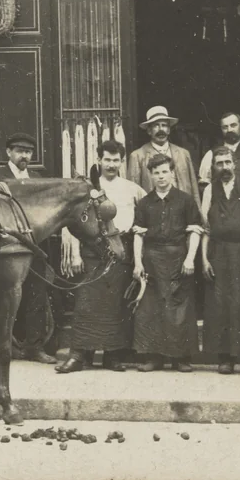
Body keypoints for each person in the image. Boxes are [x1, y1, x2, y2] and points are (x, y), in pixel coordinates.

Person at [56, 140, 147, 374]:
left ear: (122, 162)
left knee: (116, 305)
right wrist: (75, 253)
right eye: (107, 159)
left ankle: (113, 356)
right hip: (93, 250)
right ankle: (79, 356)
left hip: (120, 250)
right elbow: (73, 222)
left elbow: (145, 218)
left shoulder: (132, 189)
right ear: (98, 160)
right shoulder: (86, 189)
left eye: (116, 160)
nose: (111, 164)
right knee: (86, 303)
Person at [0, 132, 57, 365]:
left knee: (36, 295)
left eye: (28, 152)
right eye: (20, 151)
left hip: (34, 247)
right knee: (5, 296)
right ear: (9, 153)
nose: (24, 156)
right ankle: (5, 347)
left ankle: (34, 348)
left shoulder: (37, 179)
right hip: (7, 249)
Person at [131, 154, 205, 372]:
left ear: (172, 172)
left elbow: (195, 231)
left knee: (178, 310)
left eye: (165, 171)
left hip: (178, 261)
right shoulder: (144, 204)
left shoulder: (185, 200)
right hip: (152, 261)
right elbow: (138, 235)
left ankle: (180, 359)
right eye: (156, 172)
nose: (161, 176)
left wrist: (190, 258)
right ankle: (154, 358)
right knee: (151, 309)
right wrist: (138, 263)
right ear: (150, 175)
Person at [199, 147, 240, 376]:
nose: (225, 167)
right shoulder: (209, 190)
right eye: (220, 163)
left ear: (235, 164)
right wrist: (204, 260)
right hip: (219, 254)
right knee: (220, 306)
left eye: (228, 162)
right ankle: (224, 358)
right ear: (214, 167)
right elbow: (205, 227)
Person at [127, 106, 198, 195]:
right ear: (149, 130)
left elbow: (194, 188)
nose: (161, 130)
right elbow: (132, 191)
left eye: (164, 125)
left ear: (168, 130)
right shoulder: (137, 156)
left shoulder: (183, 154)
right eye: (156, 125)